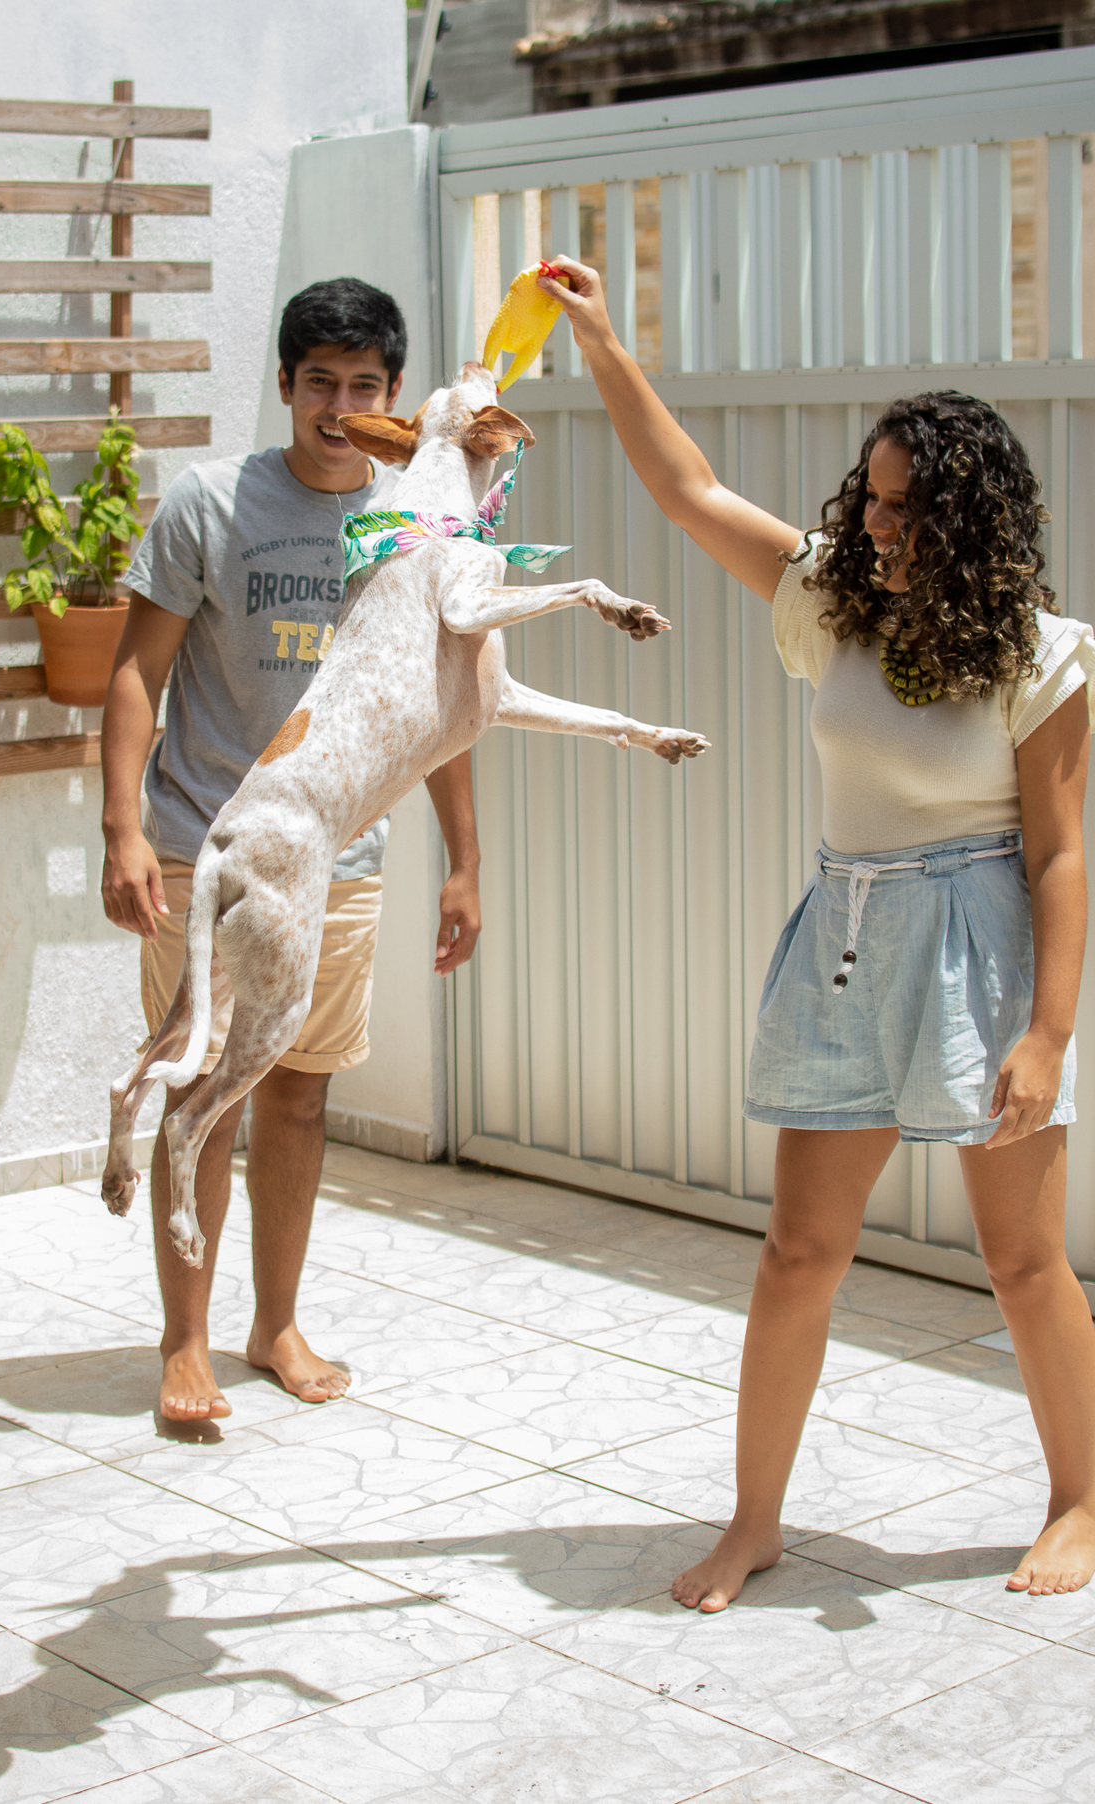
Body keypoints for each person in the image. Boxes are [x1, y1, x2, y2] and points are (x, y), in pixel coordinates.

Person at [541, 254, 1095, 1606]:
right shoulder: (831, 596)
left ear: (971, 518)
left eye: (908, 509)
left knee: (1022, 1259)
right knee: (801, 1251)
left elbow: (1063, 852)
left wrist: (1046, 1034)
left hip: (978, 938)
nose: (882, 524)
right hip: (845, 930)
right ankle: (755, 1520)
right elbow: (688, 491)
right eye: (876, 498)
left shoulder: (1041, 652)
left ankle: (1083, 1497)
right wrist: (606, 342)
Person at [101, 278, 482, 1425]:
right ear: (284, 384)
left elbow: (441, 702)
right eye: (319, 380)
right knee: (202, 1097)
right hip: (203, 855)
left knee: (299, 1100)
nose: (339, 403)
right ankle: (185, 1342)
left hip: (341, 860)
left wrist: (464, 856)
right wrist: (121, 828)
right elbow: (134, 673)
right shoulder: (210, 505)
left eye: (364, 384)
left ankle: (274, 1325)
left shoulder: (418, 526)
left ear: (396, 399)